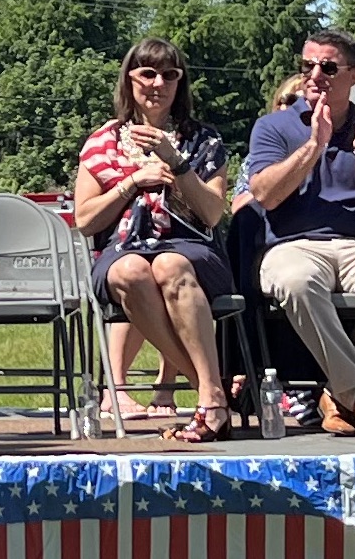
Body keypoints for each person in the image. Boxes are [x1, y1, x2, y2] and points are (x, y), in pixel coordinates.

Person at [243, 29, 355, 437]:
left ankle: (340, 394)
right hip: (292, 245)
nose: (314, 75)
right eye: (307, 65)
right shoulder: (273, 126)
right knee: (297, 282)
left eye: (327, 67)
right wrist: (314, 145)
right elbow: (265, 195)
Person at [71, 38, 235, 444]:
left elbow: (212, 213)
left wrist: (175, 162)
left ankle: (208, 396)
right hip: (123, 249)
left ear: (180, 83)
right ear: (129, 80)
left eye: (169, 75)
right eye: (147, 73)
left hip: (190, 249)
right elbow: (86, 220)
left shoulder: (203, 141)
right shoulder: (103, 141)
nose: (158, 83)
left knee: (168, 264)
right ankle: (212, 393)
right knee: (130, 270)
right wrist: (132, 183)